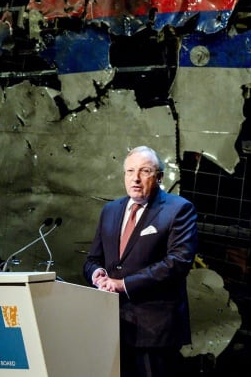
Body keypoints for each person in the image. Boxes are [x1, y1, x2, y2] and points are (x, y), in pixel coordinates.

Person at [83, 146, 198, 377]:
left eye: (144, 171)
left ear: (159, 177)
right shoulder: (110, 210)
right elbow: (93, 259)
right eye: (130, 171)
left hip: (154, 331)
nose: (135, 178)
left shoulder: (179, 210)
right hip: (112, 325)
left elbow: (177, 263)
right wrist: (97, 274)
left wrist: (123, 284)